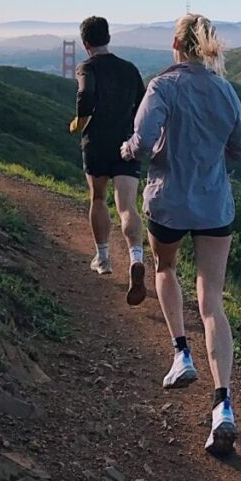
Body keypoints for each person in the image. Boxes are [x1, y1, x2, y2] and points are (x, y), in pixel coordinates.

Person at [120, 13, 241, 457]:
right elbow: (239, 149)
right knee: (212, 301)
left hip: (169, 200)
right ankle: (223, 406)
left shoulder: (162, 87)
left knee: (166, 267)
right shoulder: (225, 89)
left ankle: (181, 355)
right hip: (215, 203)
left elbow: (143, 139)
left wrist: (133, 150)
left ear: (176, 44)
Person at [69, 16, 149, 305]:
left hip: (97, 143)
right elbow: (142, 106)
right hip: (126, 143)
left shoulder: (86, 67)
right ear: (108, 38)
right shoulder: (129, 69)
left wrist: (80, 119)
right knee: (127, 206)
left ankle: (103, 259)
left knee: (99, 199)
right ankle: (135, 258)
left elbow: (85, 94)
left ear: (85, 42)